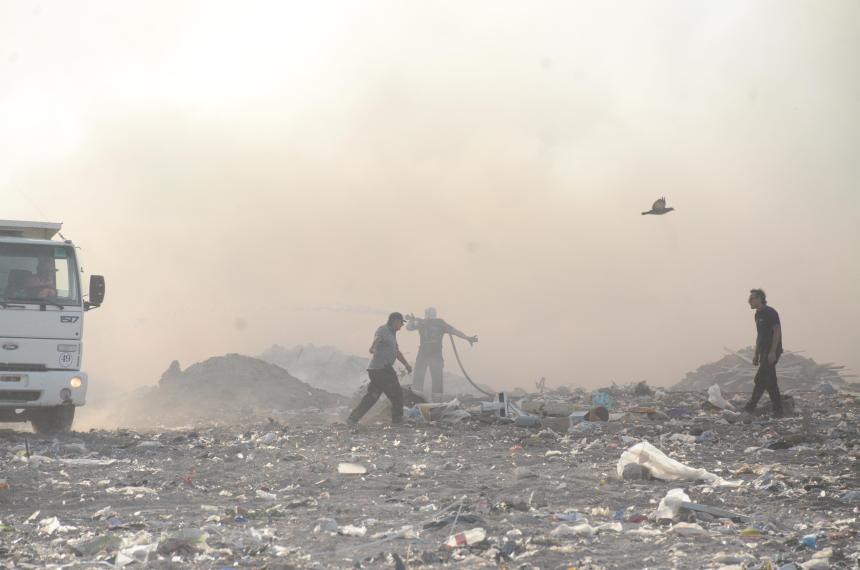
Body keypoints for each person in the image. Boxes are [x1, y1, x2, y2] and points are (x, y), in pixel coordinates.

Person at [347, 312, 413, 425]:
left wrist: (406, 364)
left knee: (372, 396)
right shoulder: (383, 330)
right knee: (397, 393)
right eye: (401, 323)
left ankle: (352, 419)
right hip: (382, 370)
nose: (402, 326)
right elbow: (377, 339)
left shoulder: (392, 335)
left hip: (377, 370)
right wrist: (373, 347)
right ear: (395, 321)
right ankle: (397, 419)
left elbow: (396, 352)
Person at [406, 307, 478, 402]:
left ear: (427, 314)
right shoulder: (439, 323)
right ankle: (435, 402)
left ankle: (416, 401)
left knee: (422, 378)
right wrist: (467, 338)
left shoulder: (424, 322)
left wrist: (411, 321)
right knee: (435, 378)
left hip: (427, 355)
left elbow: (409, 327)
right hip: (431, 355)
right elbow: (455, 331)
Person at [743, 288, 784, 418]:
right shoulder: (757, 314)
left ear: (759, 298)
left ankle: (749, 408)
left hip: (772, 351)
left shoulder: (770, 312)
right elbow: (759, 336)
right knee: (771, 382)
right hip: (763, 352)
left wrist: (773, 352)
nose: (749, 301)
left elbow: (777, 331)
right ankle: (778, 411)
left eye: (751, 299)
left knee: (760, 379)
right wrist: (756, 354)